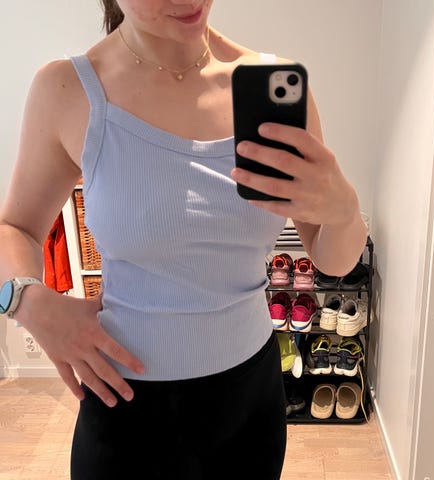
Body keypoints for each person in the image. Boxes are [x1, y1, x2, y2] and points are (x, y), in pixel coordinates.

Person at [0, 1, 367, 478]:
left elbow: (333, 261)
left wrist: (344, 210)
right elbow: (15, 228)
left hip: (248, 405)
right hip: (124, 405)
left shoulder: (271, 85)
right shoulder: (69, 90)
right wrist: (27, 302)